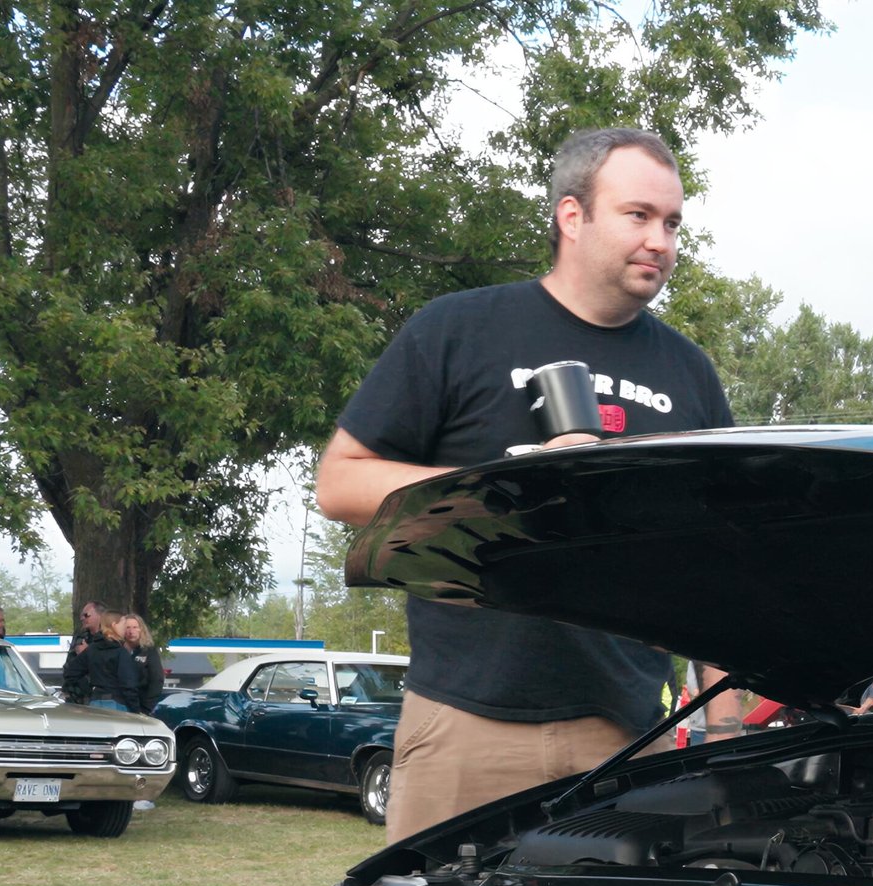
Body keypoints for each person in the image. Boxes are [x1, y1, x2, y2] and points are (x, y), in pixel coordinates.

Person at [315, 126, 742, 842]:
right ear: (571, 217)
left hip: (625, 736)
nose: (661, 241)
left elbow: (719, 567)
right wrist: (515, 484)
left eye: (672, 224)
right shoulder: (459, 329)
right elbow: (339, 483)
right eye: (638, 215)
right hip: (463, 724)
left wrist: (727, 736)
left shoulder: (689, 373)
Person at [84, 610, 139, 712]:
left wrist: (86, 692)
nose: (125, 630)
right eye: (124, 625)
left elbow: (72, 671)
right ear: (114, 625)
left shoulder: (92, 649)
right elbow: (128, 685)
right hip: (116, 703)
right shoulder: (120, 652)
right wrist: (136, 709)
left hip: (94, 702)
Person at [60, 600, 105, 703]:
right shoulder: (80, 637)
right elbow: (68, 666)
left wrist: (87, 653)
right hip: (73, 696)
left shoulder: (108, 639)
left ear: (100, 615)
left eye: (86, 615)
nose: (82, 618)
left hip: (95, 698)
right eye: (81, 615)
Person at [120, 614, 164, 717]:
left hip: (141, 707)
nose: (131, 631)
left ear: (141, 629)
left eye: (135, 627)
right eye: (127, 627)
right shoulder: (118, 651)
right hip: (119, 705)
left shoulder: (149, 651)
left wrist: (146, 708)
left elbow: (157, 680)